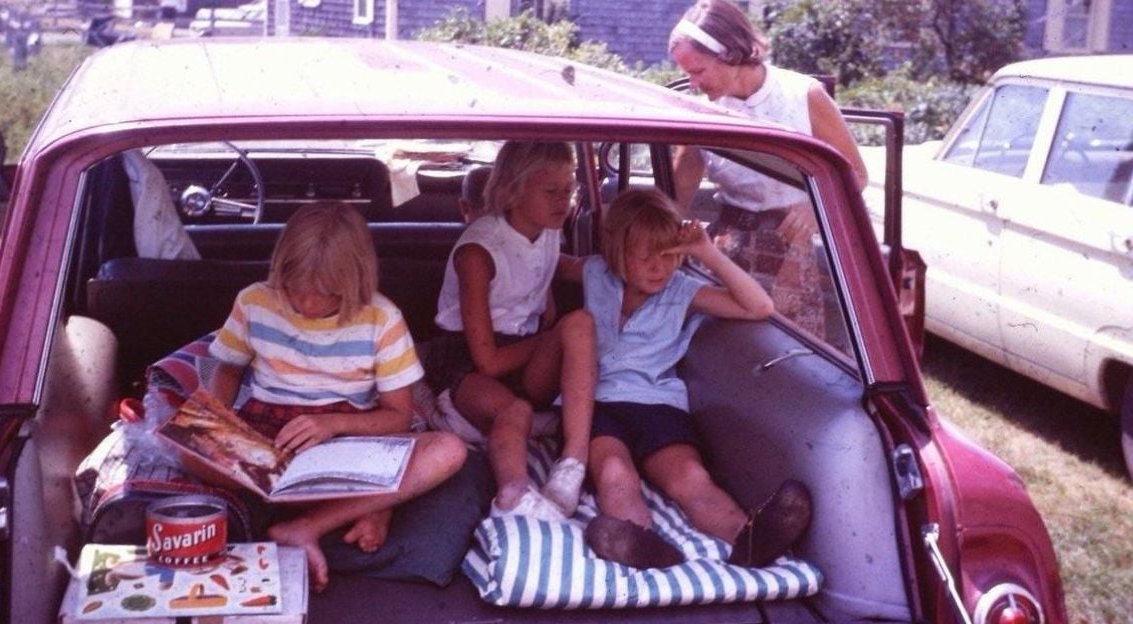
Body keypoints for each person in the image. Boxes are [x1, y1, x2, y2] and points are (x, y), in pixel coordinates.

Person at [206, 202, 468, 593]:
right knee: (186, 449)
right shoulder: (254, 302)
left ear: (356, 281)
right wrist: (213, 425)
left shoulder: (382, 319)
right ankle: (374, 506)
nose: (308, 305)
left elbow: (398, 417)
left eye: (326, 295)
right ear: (280, 270)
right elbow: (226, 370)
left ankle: (307, 525)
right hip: (266, 442)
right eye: (295, 291)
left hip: (348, 445)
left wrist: (333, 425)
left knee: (449, 450)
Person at [557, 189, 813, 569]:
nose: (660, 268)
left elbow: (760, 307)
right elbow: (548, 264)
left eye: (671, 256)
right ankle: (638, 541)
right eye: (646, 257)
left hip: (658, 404)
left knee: (690, 478)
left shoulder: (683, 291)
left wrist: (707, 252)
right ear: (615, 250)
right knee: (614, 473)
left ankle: (750, 536)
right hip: (597, 406)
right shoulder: (595, 271)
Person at [668, 0, 866, 344]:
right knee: (723, 349)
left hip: (791, 248)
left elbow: (855, 175)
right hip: (726, 244)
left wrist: (814, 210)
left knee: (792, 354)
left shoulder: (803, 96)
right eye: (687, 74)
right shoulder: (699, 106)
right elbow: (680, 189)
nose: (694, 84)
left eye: (698, 71)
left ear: (729, 53)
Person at [429, 141, 596, 522]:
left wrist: (614, 268)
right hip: (468, 360)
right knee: (514, 410)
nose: (564, 202)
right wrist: (547, 340)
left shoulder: (549, 227)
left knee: (582, 323)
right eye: (551, 191)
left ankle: (573, 463)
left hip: (524, 349)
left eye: (569, 191)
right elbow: (486, 361)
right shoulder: (479, 251)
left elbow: (547, 277)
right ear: (512, 191)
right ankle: (514, 495)